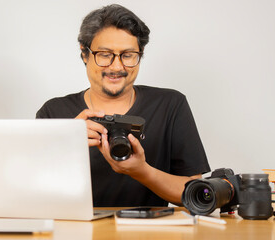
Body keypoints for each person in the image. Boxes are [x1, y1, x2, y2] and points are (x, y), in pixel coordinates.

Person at [36, 4, 210, 207]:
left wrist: (143, 171)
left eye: (127, 55)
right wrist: (66, 141)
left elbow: (194, 192)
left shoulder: (170, 105)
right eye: (104, 54)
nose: (117, 66)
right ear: (85, 53)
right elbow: (33, 190)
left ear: (141, 53)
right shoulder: (53, 113)